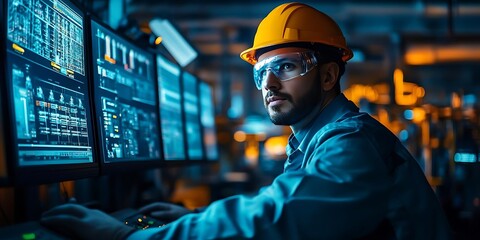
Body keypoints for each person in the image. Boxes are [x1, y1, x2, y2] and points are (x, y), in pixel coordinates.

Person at [41, 2, 453, 239]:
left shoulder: (352, 144)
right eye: (261, 72)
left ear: (329, 75)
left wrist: (128, 236)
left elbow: (279, 217)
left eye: (288, 66)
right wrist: (191, 221)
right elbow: (274, 204)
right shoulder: (314, 141)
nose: (269, 83)